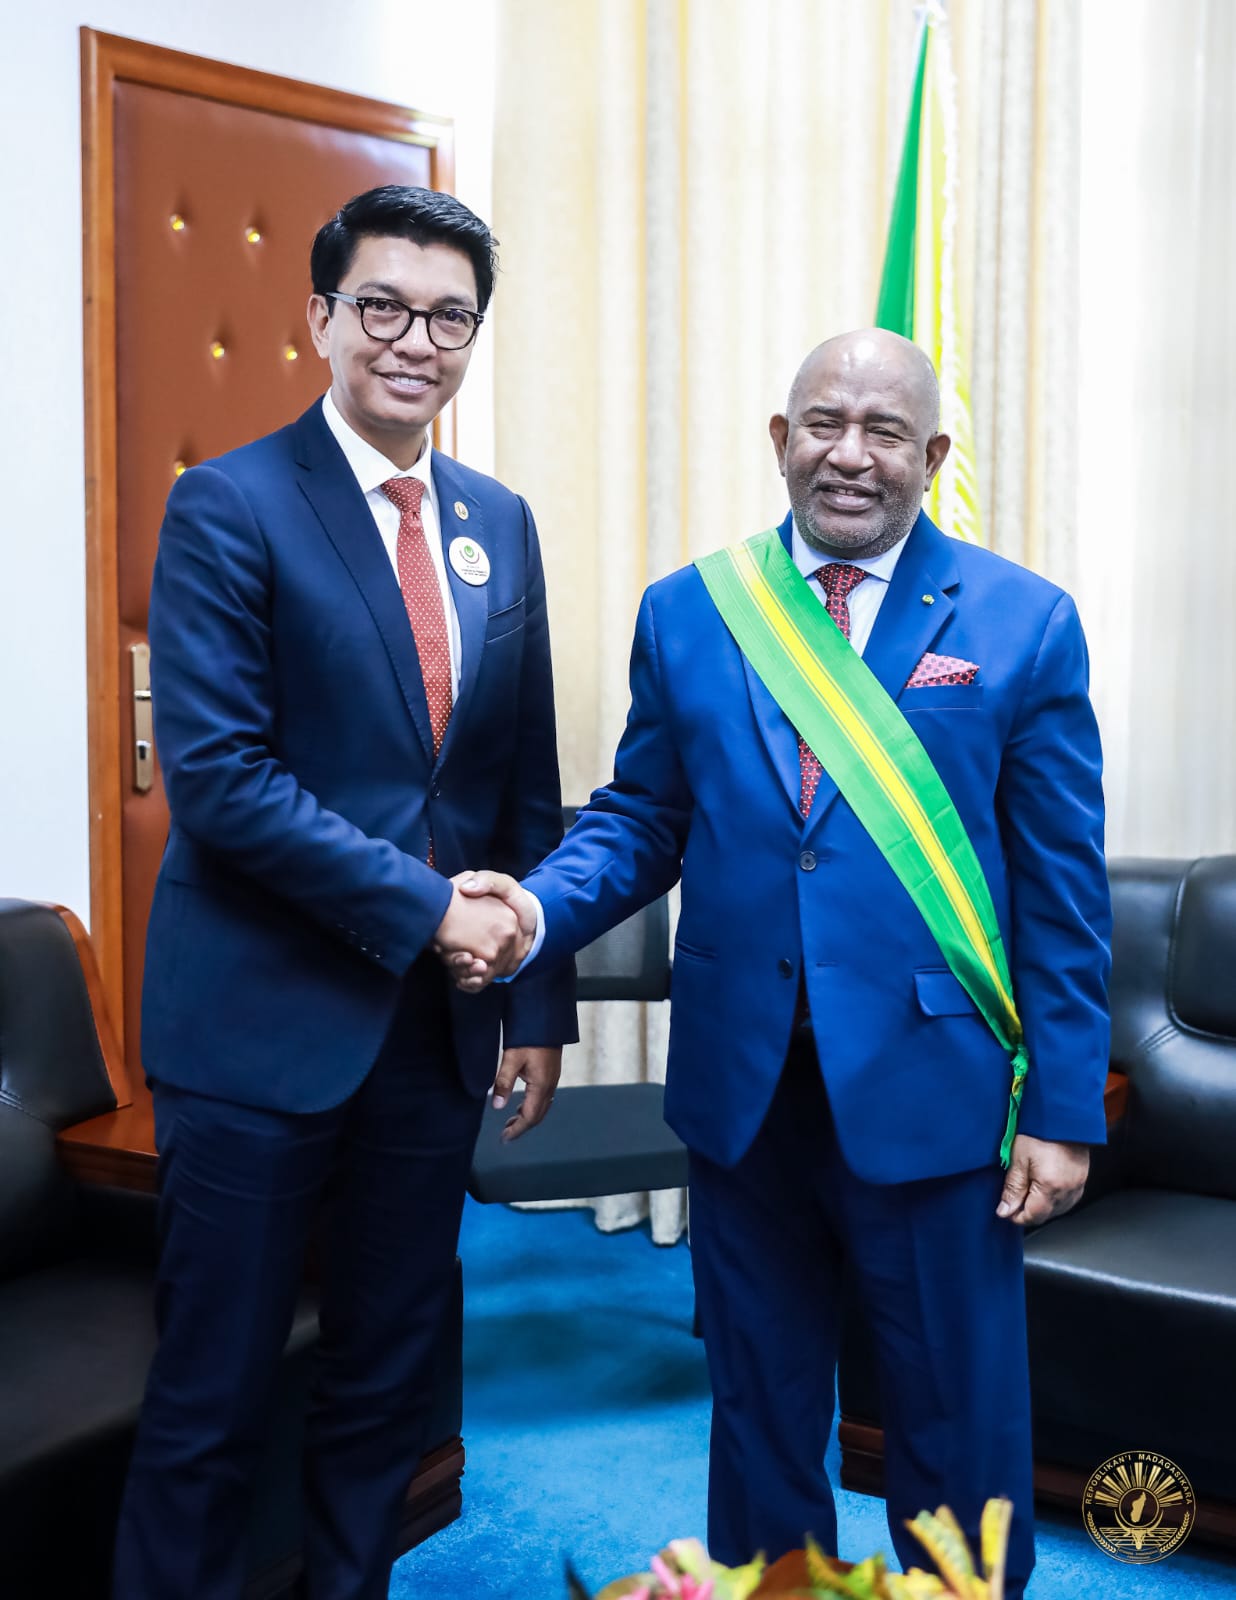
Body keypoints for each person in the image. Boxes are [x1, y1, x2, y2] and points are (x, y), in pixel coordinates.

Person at [451, 330, 1111, 1597]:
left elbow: (1063, 889)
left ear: (932, 457)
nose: (848, 455)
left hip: (933, 1086)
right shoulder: (693, 610)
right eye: (823, 423)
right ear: (780, 439)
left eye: (882, 432)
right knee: (757, 1403)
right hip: (742, 1087)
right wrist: (532, 913)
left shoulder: (1024, 623)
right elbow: (643, 819)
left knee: (953, 1419)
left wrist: (1066, 1108)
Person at [112, 185, 575, 1600]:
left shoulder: (499, 521)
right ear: (320, 318)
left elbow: (519, 788)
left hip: (433, 1041)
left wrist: (537, 1002)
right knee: (211, 1402)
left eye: (449, 316)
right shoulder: (230, 505)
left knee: (387, 1379)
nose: (414, 340)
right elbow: (224, 782)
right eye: (382, 305)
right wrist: (435, 913)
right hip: (258, 1033)